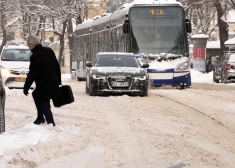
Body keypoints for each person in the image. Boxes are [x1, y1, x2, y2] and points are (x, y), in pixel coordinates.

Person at [23, 35, 61, 126]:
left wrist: (26, 87)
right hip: (52, 83)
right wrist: (58, 81)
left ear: (32, 45)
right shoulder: (49, 51)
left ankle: (51, 123)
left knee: (43, 102)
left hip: (43, 86)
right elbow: (57, 66)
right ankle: (40, 117)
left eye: (28, 46)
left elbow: (32, 74)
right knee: (36, 94)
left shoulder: (35, 56)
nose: (29, 48)